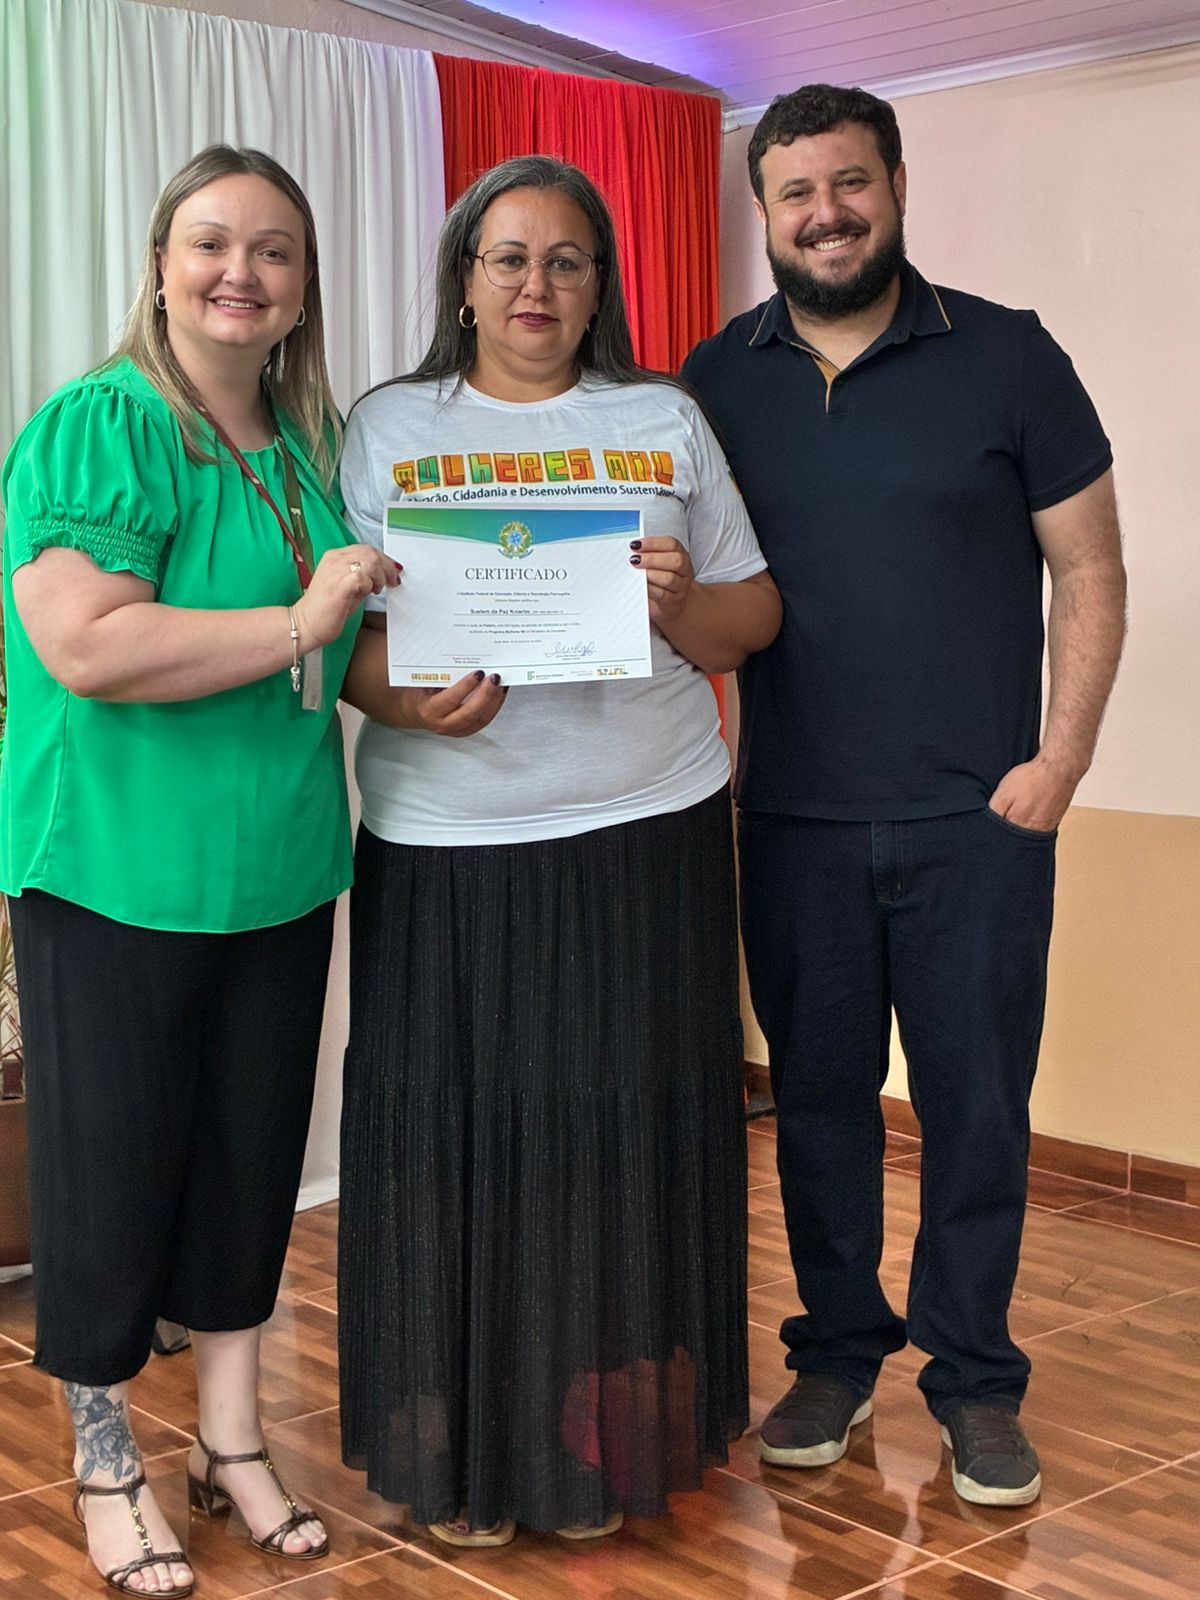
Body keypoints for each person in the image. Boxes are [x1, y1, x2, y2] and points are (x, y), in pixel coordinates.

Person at [682, 85, 1126, 1508]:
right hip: (790, 822)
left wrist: (1061, 761)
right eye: (796, 192)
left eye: (850, 183)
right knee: (817, 1110)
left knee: (978, 1112)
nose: (827, 214)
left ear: (896, 186)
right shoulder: (709, 383)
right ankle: (834, 1357)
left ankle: (978, 1382)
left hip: (977, 826)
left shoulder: (1010, 356)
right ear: (764, 213)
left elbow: (1091, 570)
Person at [337, 154, 780, 1544]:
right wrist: (407, 702)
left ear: (600, 289)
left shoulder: (665, 419)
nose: (538, 284)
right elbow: (348, 641)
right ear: (464, 281)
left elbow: (751, 622)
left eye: (568, 261)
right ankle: (470, 1452)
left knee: (616, 1142)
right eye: (510, 258)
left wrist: (680, 605)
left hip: (643, 835)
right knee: (458, 1148)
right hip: (446, 842)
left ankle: (601, 1447)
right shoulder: (388, 425)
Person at [0, 145, 397, 1595]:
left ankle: (231, 1442)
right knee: (110, 1174)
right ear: (161, 266)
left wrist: (453, 688)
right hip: (115, 870)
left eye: (275, 249)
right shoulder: (103, 424)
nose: (243, 271)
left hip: (278, 868)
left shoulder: (306, 446)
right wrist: (304, 622)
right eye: (212, 243)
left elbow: (343, 652)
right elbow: (86, 645)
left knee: (248, 1162)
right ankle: (106, 1461)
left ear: (303, 283)